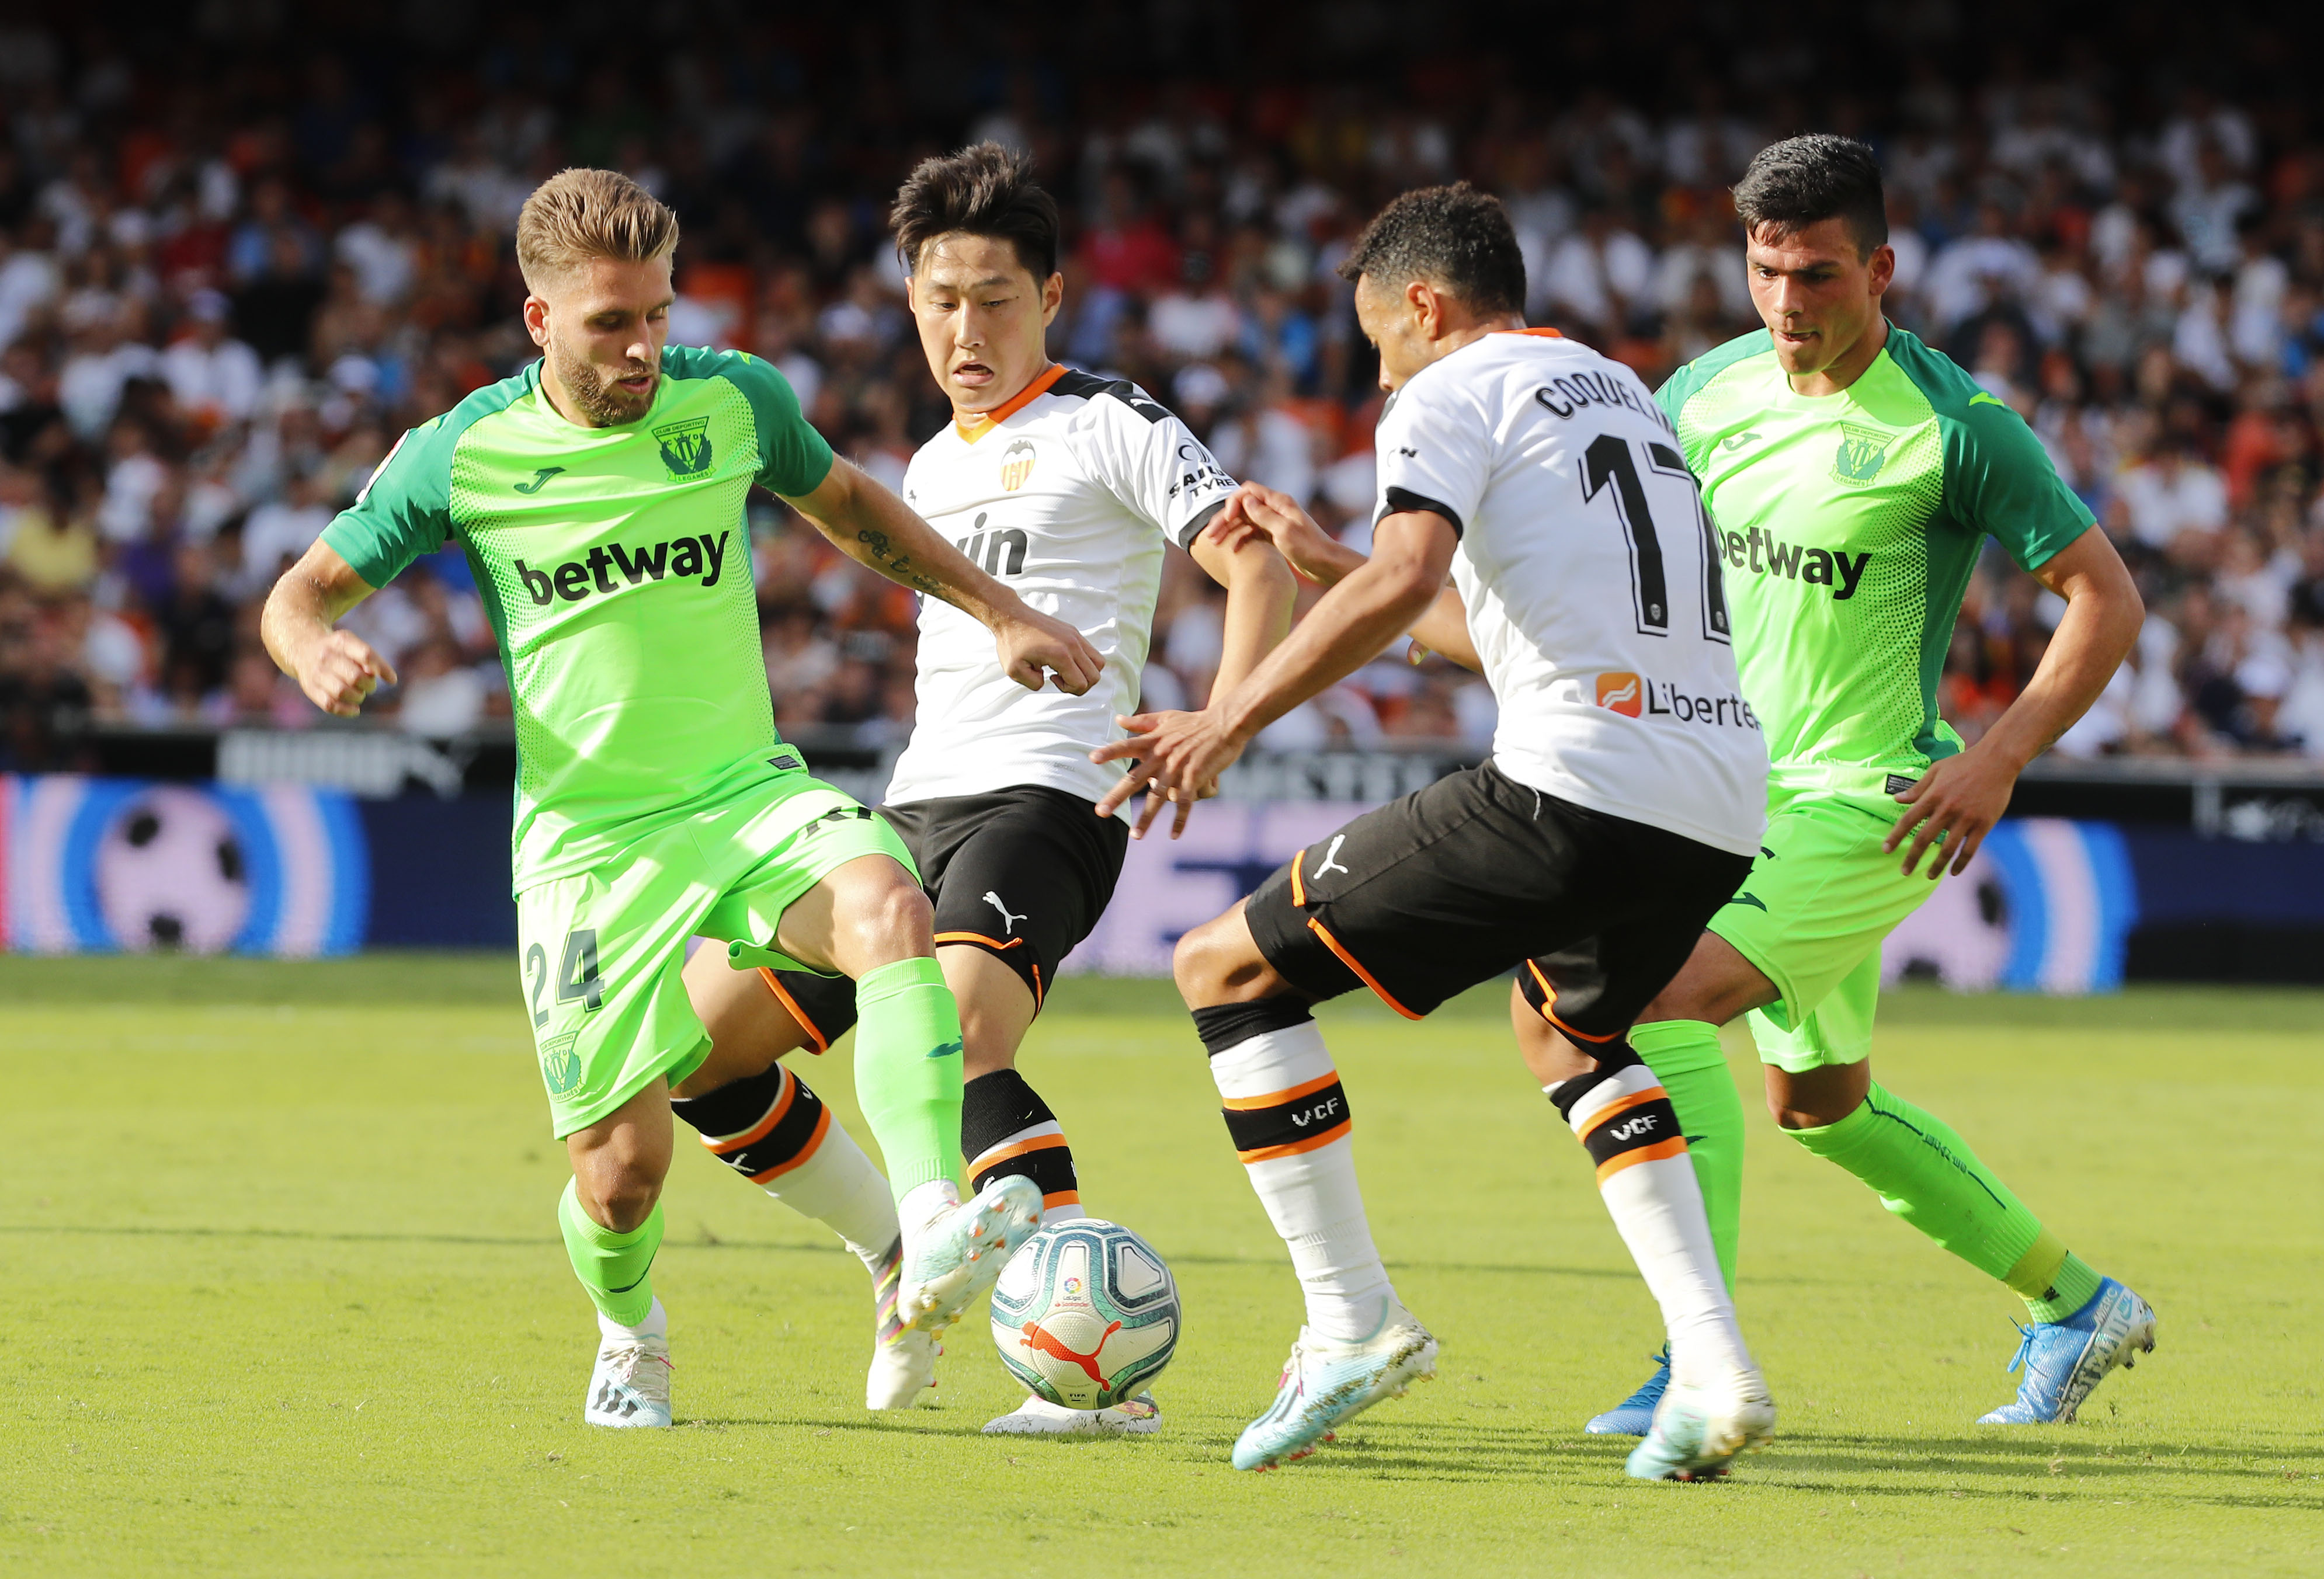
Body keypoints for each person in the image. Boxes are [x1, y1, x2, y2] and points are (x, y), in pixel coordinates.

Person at [260, 168, 1104, 1430]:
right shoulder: (464, 452)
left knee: (884, 903)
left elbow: (851, 506)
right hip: (586, 841)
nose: (644, 345)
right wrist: (317, 649)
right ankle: (630, 1332)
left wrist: (1001, 610)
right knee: (621, 1175)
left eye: (657, 310)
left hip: (741, 792)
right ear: (539, 321)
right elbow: (296, 594)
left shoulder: (735, 398)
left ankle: (925, 1227)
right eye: (611, 323)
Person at [1107, 183, 1778, 1481]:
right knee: (1568, 1028)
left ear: (1422, 306)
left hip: (1576, 784)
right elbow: (1494, 635)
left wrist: (1230, 713)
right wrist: (1324, 566)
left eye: (1376, 343)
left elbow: (1411, 574)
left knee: (1223, 969)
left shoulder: (1446, 391)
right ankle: (1712, 1363)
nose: (1379, 372)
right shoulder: (1619, 393)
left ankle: (1351, 1322)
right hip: (1710, 799)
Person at [680, 142, 1297, 1435]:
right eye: (942, 297)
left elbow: (1254, 563)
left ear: (1052, 297)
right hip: (915, 805)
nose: (967, 327)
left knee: (958, 1042)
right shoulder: (928, 465)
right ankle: (897, 1246)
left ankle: (1091, 1380)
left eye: (997, 297)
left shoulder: (1108, 419)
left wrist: (1224, 713)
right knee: (696, 1055)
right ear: (910, 299)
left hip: (1049, 795)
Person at [1552, 135, 2155, 1434]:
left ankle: (1694, 1356)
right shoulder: (1704, 389)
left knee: (1653, 1007)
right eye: (1766, 269)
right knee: (1820, 1107)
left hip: (1872, 797)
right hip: (1722, 790)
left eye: (1817, 275)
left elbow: (2105, 597)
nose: (1786, 303)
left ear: (1878, 269)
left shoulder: (1956, 427)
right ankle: (2074, 1300)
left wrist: (1997, 756)